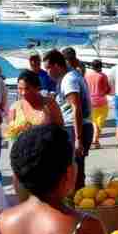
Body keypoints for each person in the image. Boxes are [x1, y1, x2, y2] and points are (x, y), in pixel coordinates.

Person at [43, 49, 93, 191]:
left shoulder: (69, 79)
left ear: (57, 66)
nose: (47, 72)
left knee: (72, 171)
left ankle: (75, 204)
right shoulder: (71, 75)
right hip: (77, 127)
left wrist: (78, 139)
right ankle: (77, 201)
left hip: (75, 128)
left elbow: (76, 108)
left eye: (48, 68)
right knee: (75, 169)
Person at [7, 69, 63, 134]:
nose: (23, 93)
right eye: (20, 88)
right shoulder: (14, 107)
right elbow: (10, 133)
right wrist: (16, 130)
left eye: (27, 88)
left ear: (37, 88)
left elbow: (60, 127)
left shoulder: (49, 104)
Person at [85, 60, 111, 150]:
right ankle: (95, 140)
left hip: (90, 101)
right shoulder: (102, 76)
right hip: (101, 102)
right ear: (100, 67)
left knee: (94, 121)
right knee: (99, 122)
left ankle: (95, 141)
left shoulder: (87, 75)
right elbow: (107, 89)